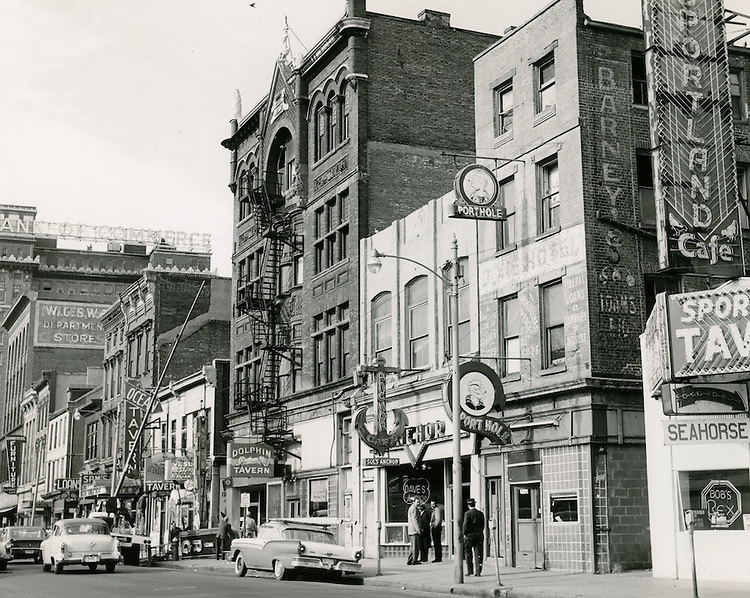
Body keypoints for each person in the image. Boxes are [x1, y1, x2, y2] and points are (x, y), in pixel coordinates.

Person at [463, 498, 485, 576]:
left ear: (468, 505)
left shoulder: (467, 514)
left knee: (468, 553)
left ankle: (470, 570)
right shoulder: (481, 514)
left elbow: (465, 525)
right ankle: (478, 571)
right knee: (479, 553)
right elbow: (483, 525)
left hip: (469, 536)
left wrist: (465, 533)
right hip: (479, 535)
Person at [406, 497, 421, 565]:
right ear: (413, 502)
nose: (418, 503)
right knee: (415, 546)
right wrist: (418, 529)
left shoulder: (412, 508)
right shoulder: (414, 509)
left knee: (412, 546)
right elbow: (415, 520)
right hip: (414, 530)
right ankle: (414, 560)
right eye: (417, 502)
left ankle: (410, 560)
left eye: (419, 502)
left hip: (412, 530)